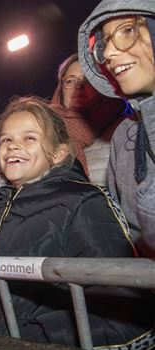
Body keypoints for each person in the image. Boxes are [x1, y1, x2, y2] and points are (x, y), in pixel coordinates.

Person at [0, 96, 154, 350]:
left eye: (29, 138)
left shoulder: (83, 201)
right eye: (6, 139)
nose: (13, 145)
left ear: (59, 153)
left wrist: (38, 343)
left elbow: (123, 309)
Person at [78, 0, 155, 255]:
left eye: (127, 30)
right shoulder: (126, 135)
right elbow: (130, 233)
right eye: (105, 42)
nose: (109, 53)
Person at [49, 54, 126, 186]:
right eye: (70, 81)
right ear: (60, 89)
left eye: (88, 81)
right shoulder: (37, 129)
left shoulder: (125, 130)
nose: (78, 87)